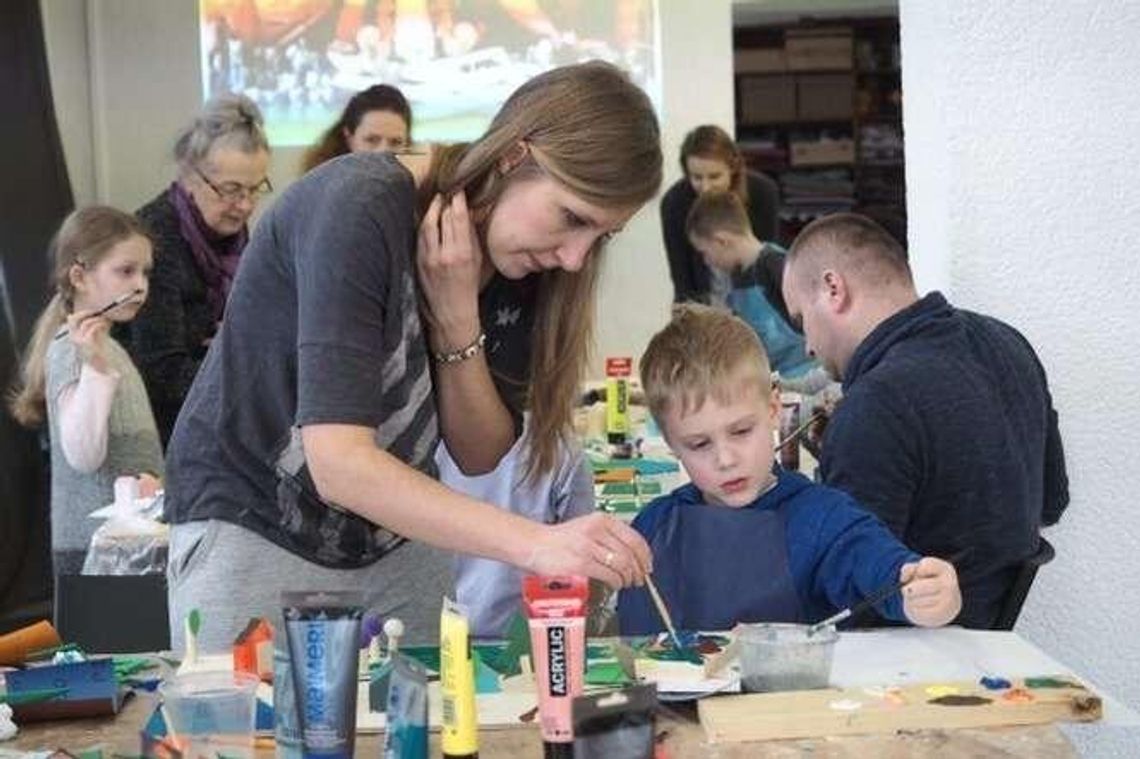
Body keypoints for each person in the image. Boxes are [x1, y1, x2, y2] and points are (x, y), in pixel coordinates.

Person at [164, 61, 660, 651]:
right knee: (261, 738)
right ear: (514, 156)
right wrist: (537, 542)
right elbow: (340, 465)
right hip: (254, 522)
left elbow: (480, 454)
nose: (575, 258)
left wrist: (455, 325)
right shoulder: (359, 204)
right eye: (572, 218)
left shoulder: (525, 257)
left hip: (392, 537)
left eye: (599, 236)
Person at [781, 213, 1069, 629]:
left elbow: (846, 600)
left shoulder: (875, 405)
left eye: (800, 320)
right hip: (991, 646)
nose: (807, 345)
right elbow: (1051, 503)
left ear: (833, 289)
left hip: (908, 663)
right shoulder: (1009, 342)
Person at [616, 304, 961, 634]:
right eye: (699, 444)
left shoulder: (822, 519)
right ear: (671, 443)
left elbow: (880, 569)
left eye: (741, 432)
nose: (726, 459)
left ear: (773, 409)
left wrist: (923, 595)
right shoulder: (653, 529)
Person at [8, 207, 164, 577]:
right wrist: (94, 368)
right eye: (125, 271)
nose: (140, 285)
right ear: (79, 276)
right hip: (98, 555)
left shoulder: (108, 349)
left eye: (145, 272)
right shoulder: (72, 351)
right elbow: (83, 453)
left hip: (125, 550)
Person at [115, 94, 271, 448]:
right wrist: (244, 372)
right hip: (161, 436)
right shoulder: (154, 240)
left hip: (211, 419)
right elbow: (163, 373)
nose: (245, 205)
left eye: (255, 188)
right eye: (230, 190)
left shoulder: (233, 237)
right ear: (189, 176)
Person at [441, 416, 594, 638]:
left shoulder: (415, 452)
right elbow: (584, 578)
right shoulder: (560, 449)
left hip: (439, 640)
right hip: (527, 645)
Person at [686, 190, 827, 390]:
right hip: (777, 378)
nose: (706, 261)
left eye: (705, 252)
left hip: (808, 375)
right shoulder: (736, 278)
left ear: (722, 241)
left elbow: (817, 323)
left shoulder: (775, 266)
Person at [659, 125, 780, 306]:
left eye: (715, 176)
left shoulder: (763, 193)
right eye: (696, 178)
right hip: (707, 302)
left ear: (733, 168)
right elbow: (682, 282)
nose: (706, 187)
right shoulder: (674, 203)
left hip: (756, 300)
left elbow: (767, 261)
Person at [299, 83, 413, 173]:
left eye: (396, 142)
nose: (383, 152)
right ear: (349, 139)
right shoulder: (320, 188)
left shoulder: (417, 189)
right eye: (372, 140)